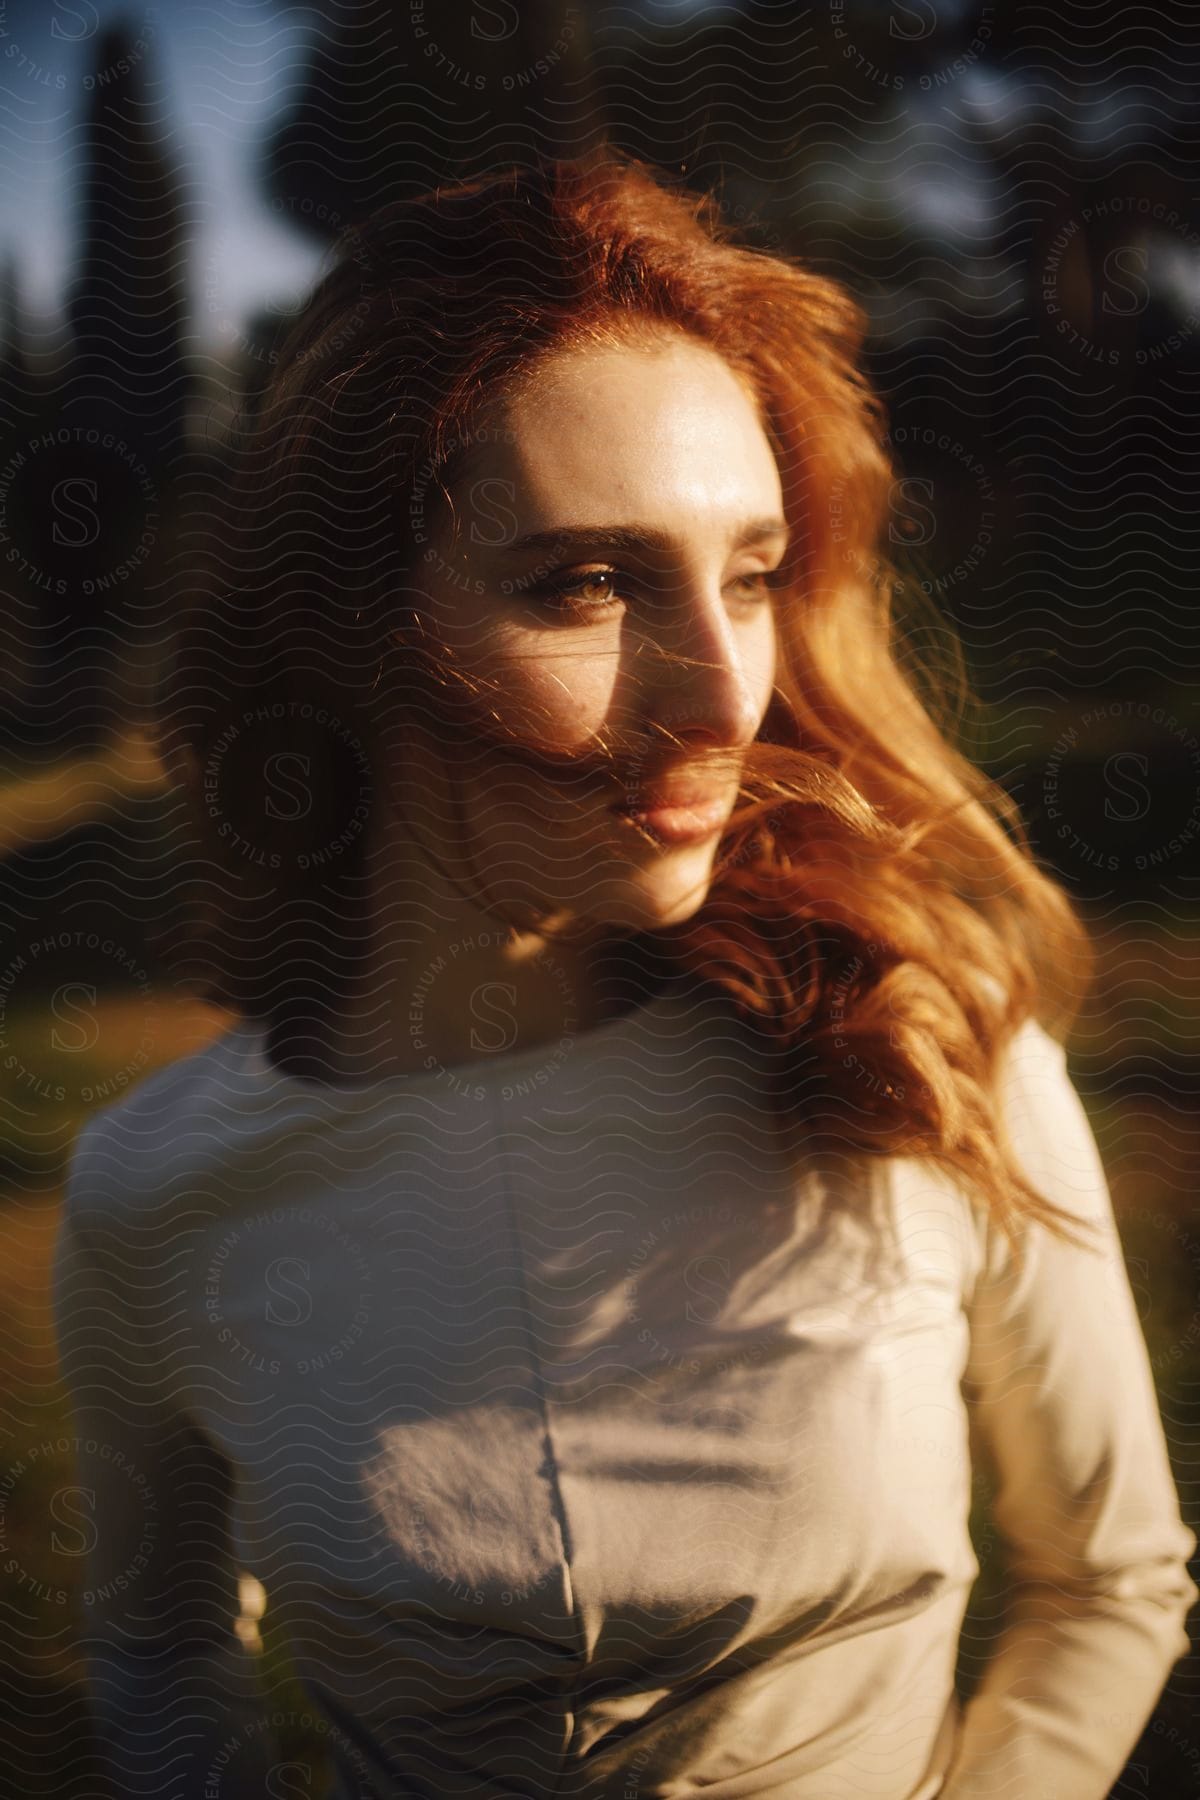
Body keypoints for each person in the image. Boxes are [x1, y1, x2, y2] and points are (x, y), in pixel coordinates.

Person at [53, 150, 1196, 1800]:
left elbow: (1109, 1582)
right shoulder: (160, 1194)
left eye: (750, 574)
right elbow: (159, 1652)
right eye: (587, 582)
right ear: (352, 624)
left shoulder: (917, 1038)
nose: (727, 694)